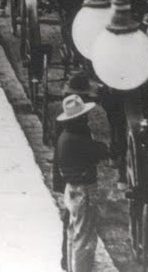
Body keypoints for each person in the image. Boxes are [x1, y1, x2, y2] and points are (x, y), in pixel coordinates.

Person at [53, 94, 112, 272]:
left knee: (74, 235)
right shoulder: (76, 139)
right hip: (83, 190)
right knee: (84, 239)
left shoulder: (65, 136)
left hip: (71, 189)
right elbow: (99, 150)